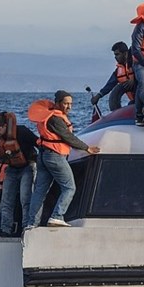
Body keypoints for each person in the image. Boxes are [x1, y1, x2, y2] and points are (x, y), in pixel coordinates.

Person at [26, 91, 101, 228]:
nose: (69, 107)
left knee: (39, 192)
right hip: (55, 157)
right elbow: (68, 137)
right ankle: (57, 216)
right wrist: (86, 148)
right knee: (69, 187)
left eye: (70, 104)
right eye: (66, 103)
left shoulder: (48, 116)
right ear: (57, 103)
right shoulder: (56, 119)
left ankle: (32, 224)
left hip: (43, 155)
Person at [0, 111, 39, 236]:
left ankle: (26, 229)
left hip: (27, 167)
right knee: (6, 201)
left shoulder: (22, 131)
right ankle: (5, 230)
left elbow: (38, 143)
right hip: (11, 169)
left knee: (25, 199)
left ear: (5, 126)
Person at [90, 42, 136, 109]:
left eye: (117, 54)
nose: (115, 57)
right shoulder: (118, 72)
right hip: (134, 102)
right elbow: (109, 84)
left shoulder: (136, 64)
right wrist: (98, 96)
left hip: (142, 98)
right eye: (114, 55)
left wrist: (133, 80)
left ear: (125, 53)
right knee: (130, 104)